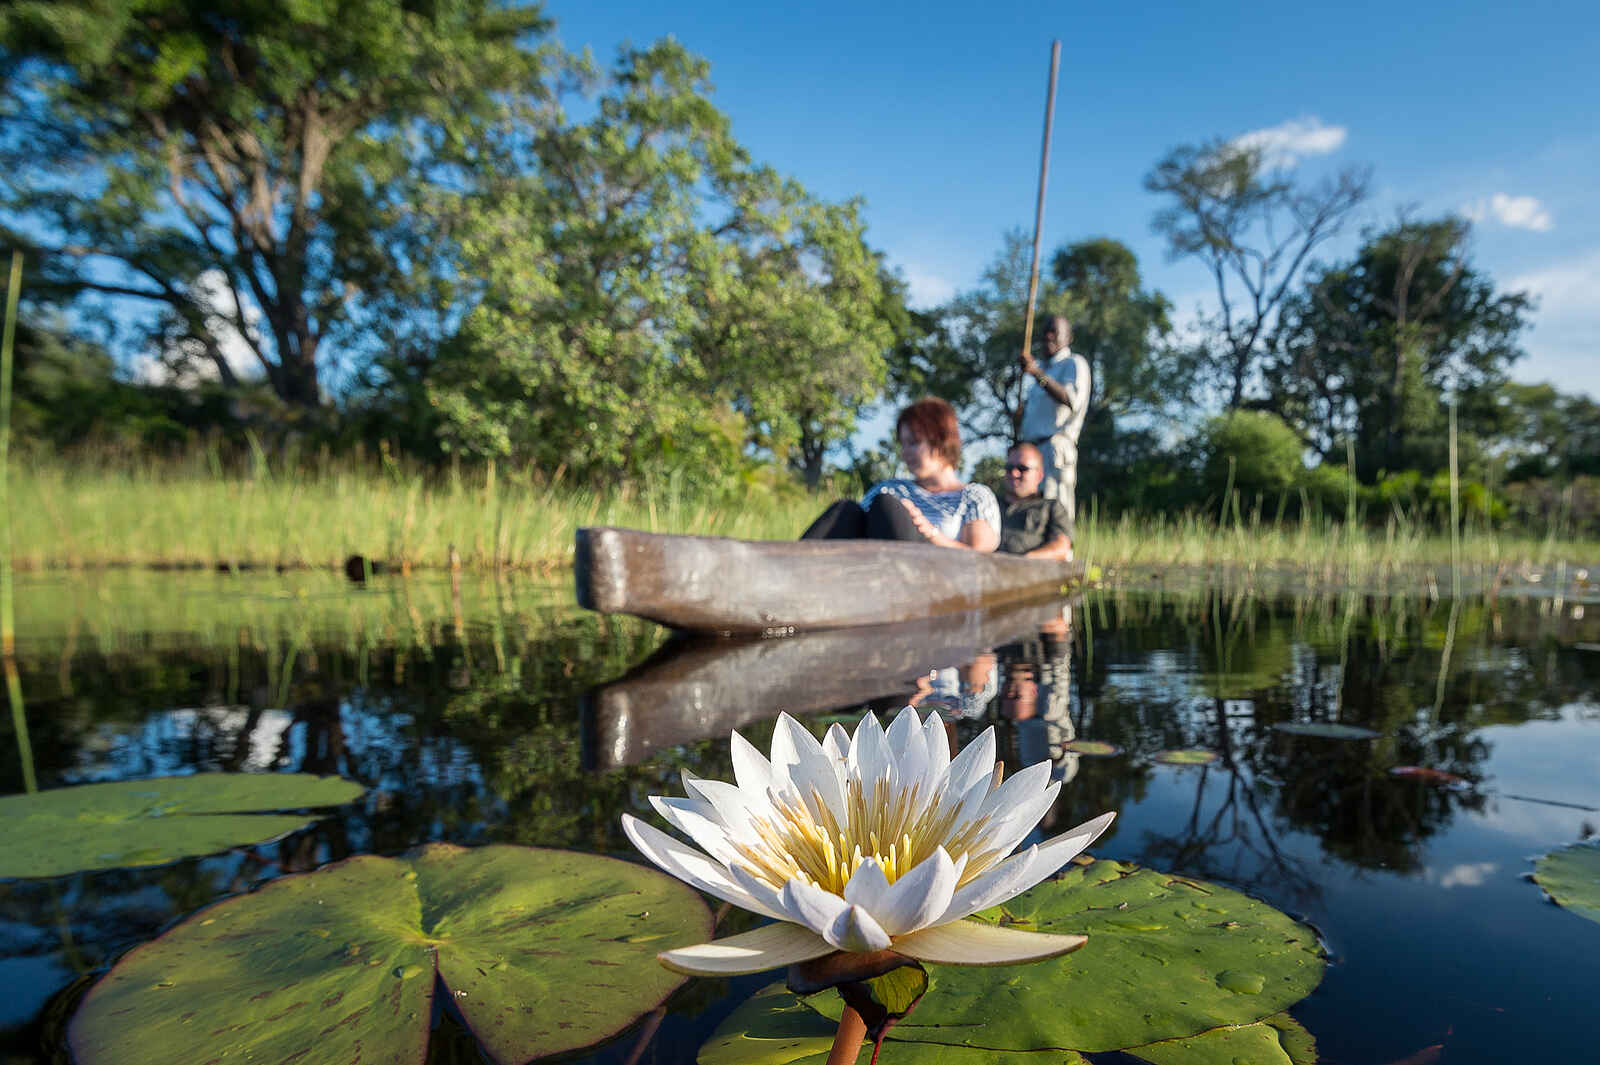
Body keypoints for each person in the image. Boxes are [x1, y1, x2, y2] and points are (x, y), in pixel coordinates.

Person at [802, 397, 999, 551]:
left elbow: (978, 557)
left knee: (886, 505)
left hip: (934, 577)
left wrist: (930, 533)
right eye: (903, 444)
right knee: (847, 509)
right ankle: (787, 571)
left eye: (913, 443)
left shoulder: (974, 496)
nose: (905, 453)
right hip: (875, 569)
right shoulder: (891, 488)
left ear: (940, 440)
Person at [1018, 315, 1091, 521]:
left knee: (1053, 517)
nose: (1048, 336)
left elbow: (1070, 399)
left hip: (1054, 451)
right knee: (1032, 518)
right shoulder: (1044, 369)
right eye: (1045, 332)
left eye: (1055, 331)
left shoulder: (1073, 363)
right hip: (1032, 454)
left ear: (1069, 337)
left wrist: (1036, 373)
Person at [997, 442, 1073, 560]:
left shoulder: (1051, 507)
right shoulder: (990, 504)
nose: (1014, 473)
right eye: (1009, 468)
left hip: (1029, 573)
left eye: (1022, 468)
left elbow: (1061, 546)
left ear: (1039, 475)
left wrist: (1024, 561)